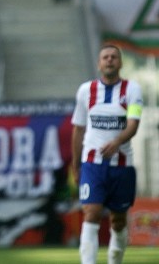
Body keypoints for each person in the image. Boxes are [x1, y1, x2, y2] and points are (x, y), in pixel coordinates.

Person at [71, 44, 143, 264]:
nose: (110, 60)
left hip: (122, 165)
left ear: (120, 63)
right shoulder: (86, 91)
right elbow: (79, 128)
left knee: (118, 221)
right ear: (99, 63)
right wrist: (76, 164)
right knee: (91, 212)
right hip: (92, 165)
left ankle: (115, 260)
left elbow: (133, 124)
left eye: (114, 57)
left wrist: (117, 142)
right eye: (105, 57)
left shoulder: (132, 90)